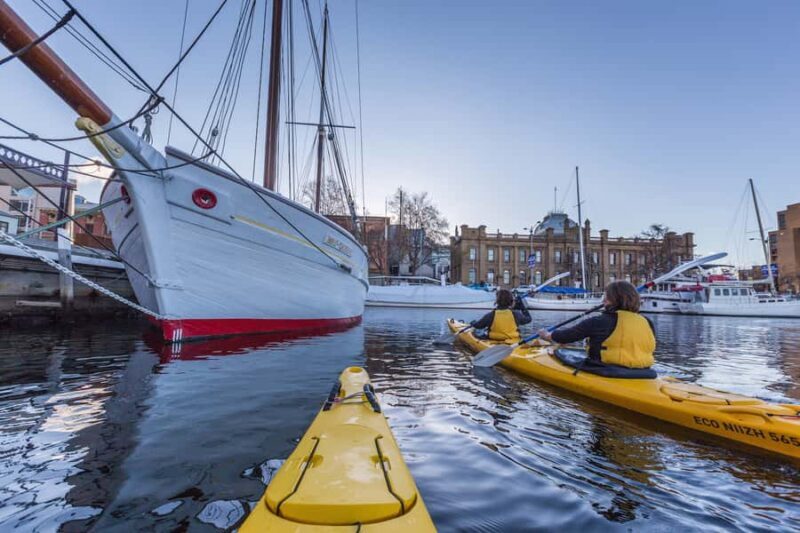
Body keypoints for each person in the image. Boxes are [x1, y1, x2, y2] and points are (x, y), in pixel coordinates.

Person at [537, 281, 655, 368]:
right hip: (644, 371)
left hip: (606, 369)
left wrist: (547, 335)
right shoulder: (647, 322)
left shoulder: (599, 321)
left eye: (606, 297)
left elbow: (566, 336)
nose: (603, 300)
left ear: (612, 300)